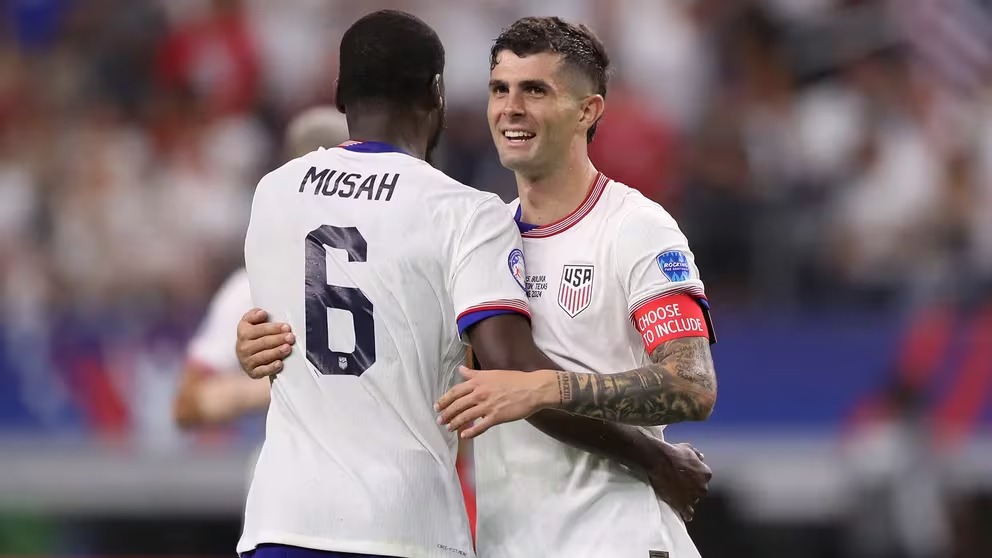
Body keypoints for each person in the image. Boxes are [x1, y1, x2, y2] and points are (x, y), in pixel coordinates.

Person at [236, 11, 717, 558]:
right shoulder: (481, 228)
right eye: (499, 89)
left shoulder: (636, 227)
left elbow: (692, 386)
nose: (511, 107)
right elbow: (417, 362)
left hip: (615, 539)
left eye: (535, 90)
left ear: (587, 110)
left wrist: (545, 387)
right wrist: (265, 340)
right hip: (509, 544)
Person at [172, 106, 349, 430]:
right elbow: (187, 404)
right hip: (296, 454)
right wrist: (283, 385)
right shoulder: (254, 284)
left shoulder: (393, 266)